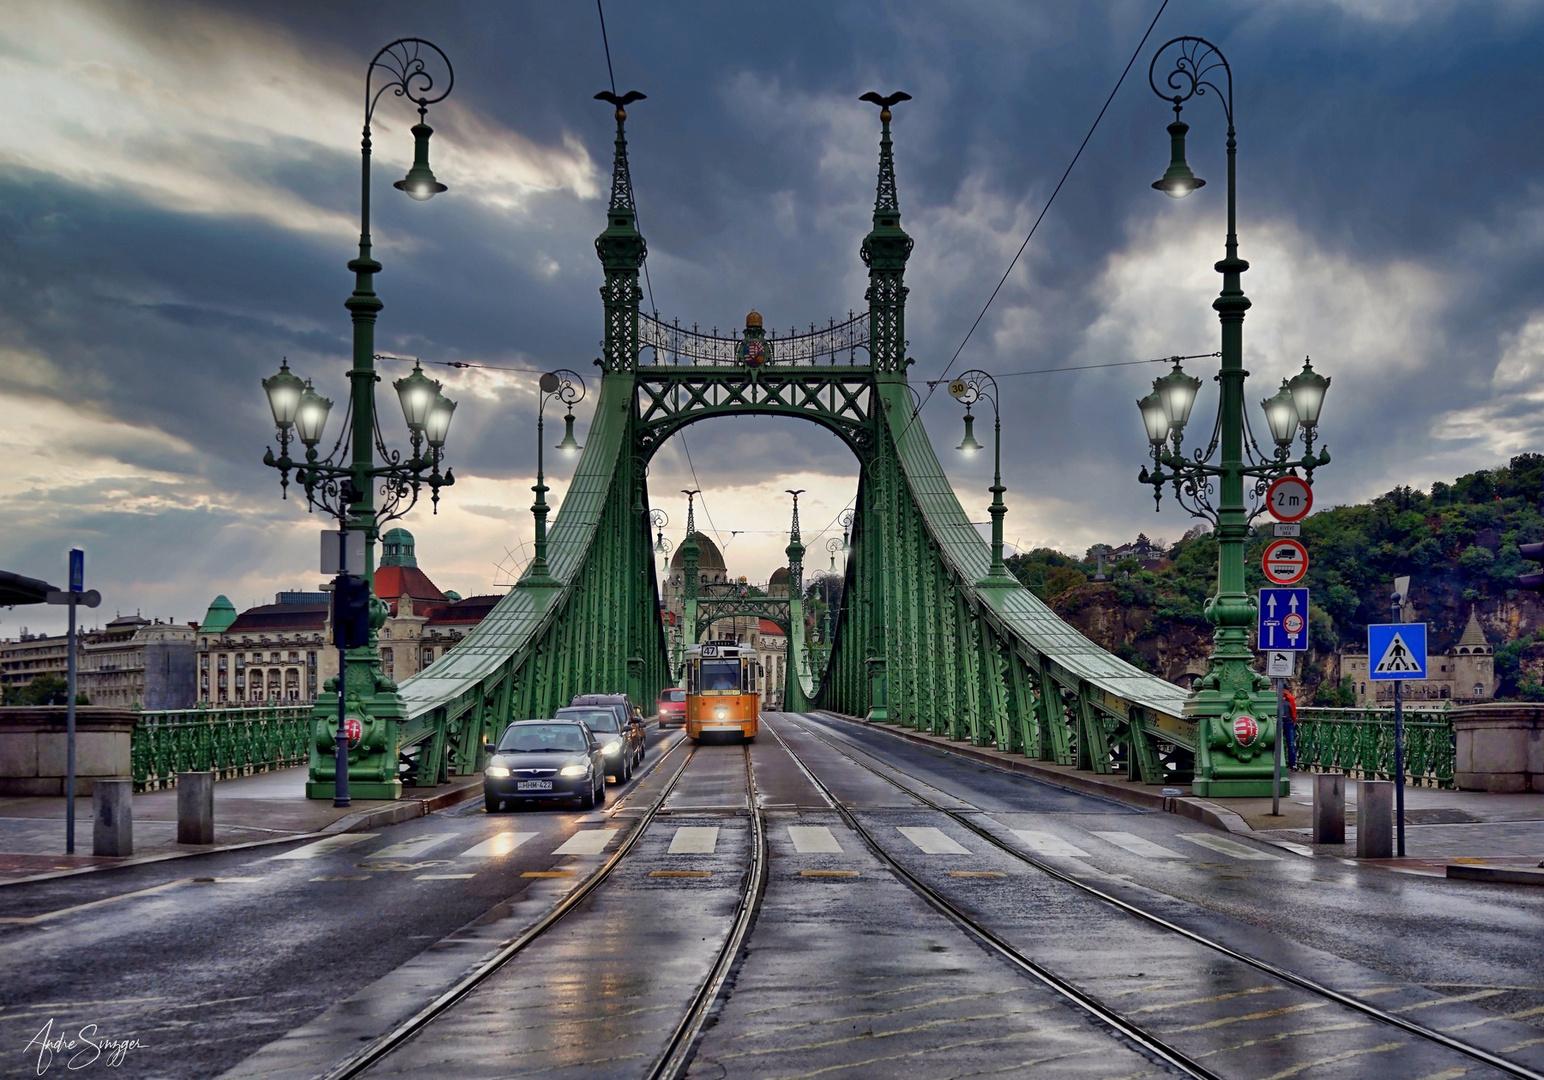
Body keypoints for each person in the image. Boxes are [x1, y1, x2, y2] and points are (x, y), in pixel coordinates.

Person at [1282, 689, 1299, 770]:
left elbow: (1293, 709)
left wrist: (1294, 719)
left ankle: (1292, 764)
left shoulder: (1290, 699)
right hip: (1280, 723)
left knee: (1291, 744)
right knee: (1279, 744)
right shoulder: (1277, 699)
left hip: (1289, 723)